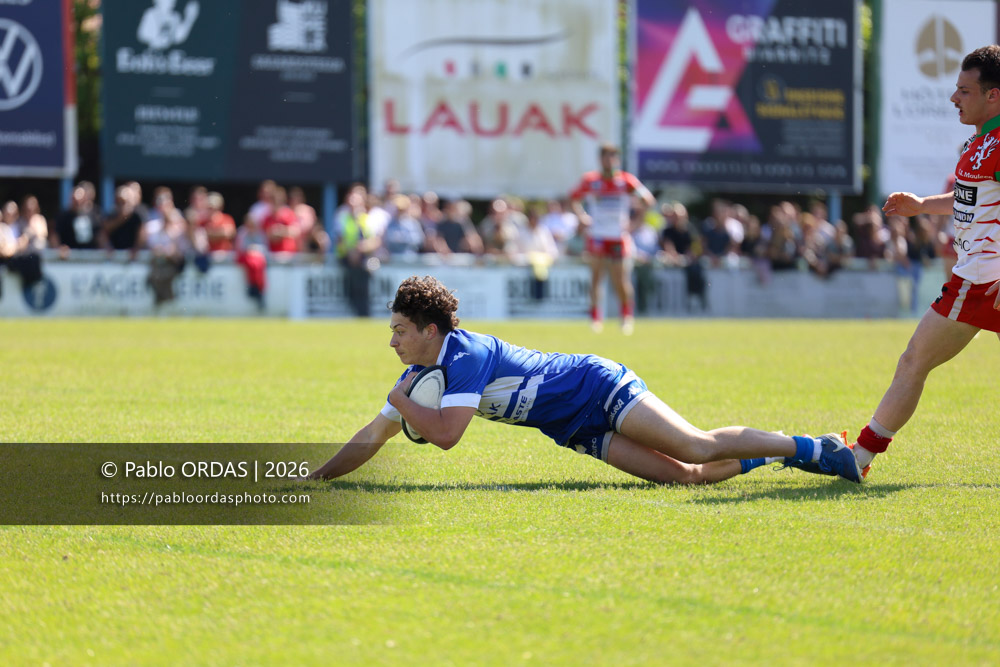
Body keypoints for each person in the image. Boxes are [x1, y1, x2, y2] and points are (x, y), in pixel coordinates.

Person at [307, 276, 863, 484]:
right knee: (687, 477)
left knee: (696, 443)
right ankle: (773, 457)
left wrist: (400, 401)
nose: (393, 341)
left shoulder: (465, 354)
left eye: (400, 330)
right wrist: (319, 478)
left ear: (430, 329)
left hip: (595, 385)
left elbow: (448, 436)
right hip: (572, 427)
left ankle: (819, 450)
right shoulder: (417, 376)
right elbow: (372, 436)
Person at [855, 45, 1000, 478]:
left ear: (993, 96)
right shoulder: (981, 142)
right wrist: (922, 205)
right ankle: (859, 456)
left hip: (982, 279)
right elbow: (971, 197)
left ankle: (858, 457)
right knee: (914, 360)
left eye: (964, 90)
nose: (954, 98)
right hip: (980, 275)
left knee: (914, 359)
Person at [570, 143, 656, 335]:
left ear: (616, 159)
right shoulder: (591, 181)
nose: (609, 161)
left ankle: (626, 317)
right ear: (600, 159)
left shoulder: (626, 181)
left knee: (621, 280)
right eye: (606, 157)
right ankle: (595, 318)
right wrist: (582, 217)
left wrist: (635, 223)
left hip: (618, 237)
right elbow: (572, 198)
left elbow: (648, 200)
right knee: (596, 278)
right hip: (598, 236)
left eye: (613, 157)